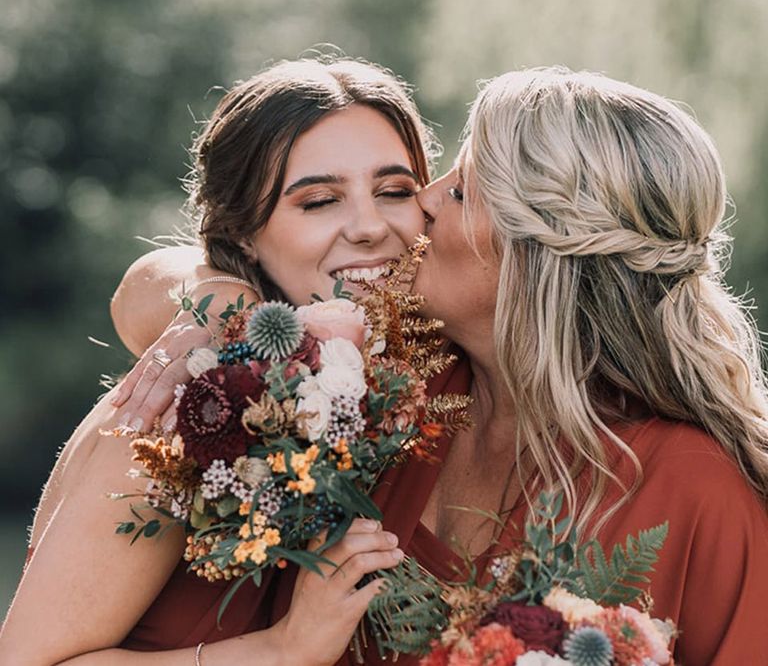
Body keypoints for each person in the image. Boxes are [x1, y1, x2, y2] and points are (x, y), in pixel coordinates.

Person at [107, 67, 768, 665]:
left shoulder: (702, 496)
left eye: (460, 191)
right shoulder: (377, 383)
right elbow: (142, 288)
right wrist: (219, 307)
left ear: (537, 257)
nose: (423, 199)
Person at [0, 57, 440, 665]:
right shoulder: (181, 410)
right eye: (318, 201)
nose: (369, 226)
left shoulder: (417, 387)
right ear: (240, 237)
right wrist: (285, 650)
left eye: (395, 191)